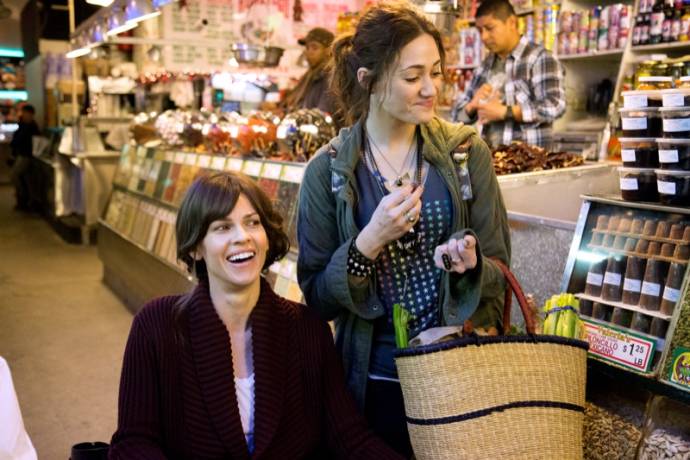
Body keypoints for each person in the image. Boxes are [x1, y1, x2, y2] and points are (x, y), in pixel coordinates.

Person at [296, 2, 511, 457]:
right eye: (412, 77)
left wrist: (472, 262)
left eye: (435, 71)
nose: (430, 88)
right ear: (368, 79)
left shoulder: (466, 154)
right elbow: (316, 297)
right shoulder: (328, 172)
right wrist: (368, 241)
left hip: (459, 375)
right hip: (372, 386)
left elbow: (500, 272)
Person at [109, 172, 402, 459]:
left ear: (266, 237)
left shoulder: (308, 329)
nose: (242, 237)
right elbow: (134, 442)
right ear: (196, 247)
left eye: (252, 223)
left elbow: (349, 436)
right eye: (222, 228)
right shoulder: (158, 326)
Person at [451, 0, 566, 149]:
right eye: (480, 30)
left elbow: (555, 105)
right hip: (493, 162)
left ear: (512, 22)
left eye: (489, 28)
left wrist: (506, 112)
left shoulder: (540, 58)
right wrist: (472, 105)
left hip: (531, 162)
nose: (484, 37)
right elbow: (455, 117)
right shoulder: (484, 66)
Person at [282, 27, 336, 114]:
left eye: (314, 48)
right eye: (307, 48)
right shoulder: (310, 75)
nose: (308, 52)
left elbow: (322, 113)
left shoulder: (329, 76)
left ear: (328, 51)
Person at [9, 104, 40, 211]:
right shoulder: (23, 124)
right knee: (25, 178)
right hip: (22, 154)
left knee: (15, 175)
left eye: (26, 113)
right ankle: (24, 199)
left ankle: (24, 197)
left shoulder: (31, 126)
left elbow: (29, 141)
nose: (25, 115)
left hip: (26, 155)